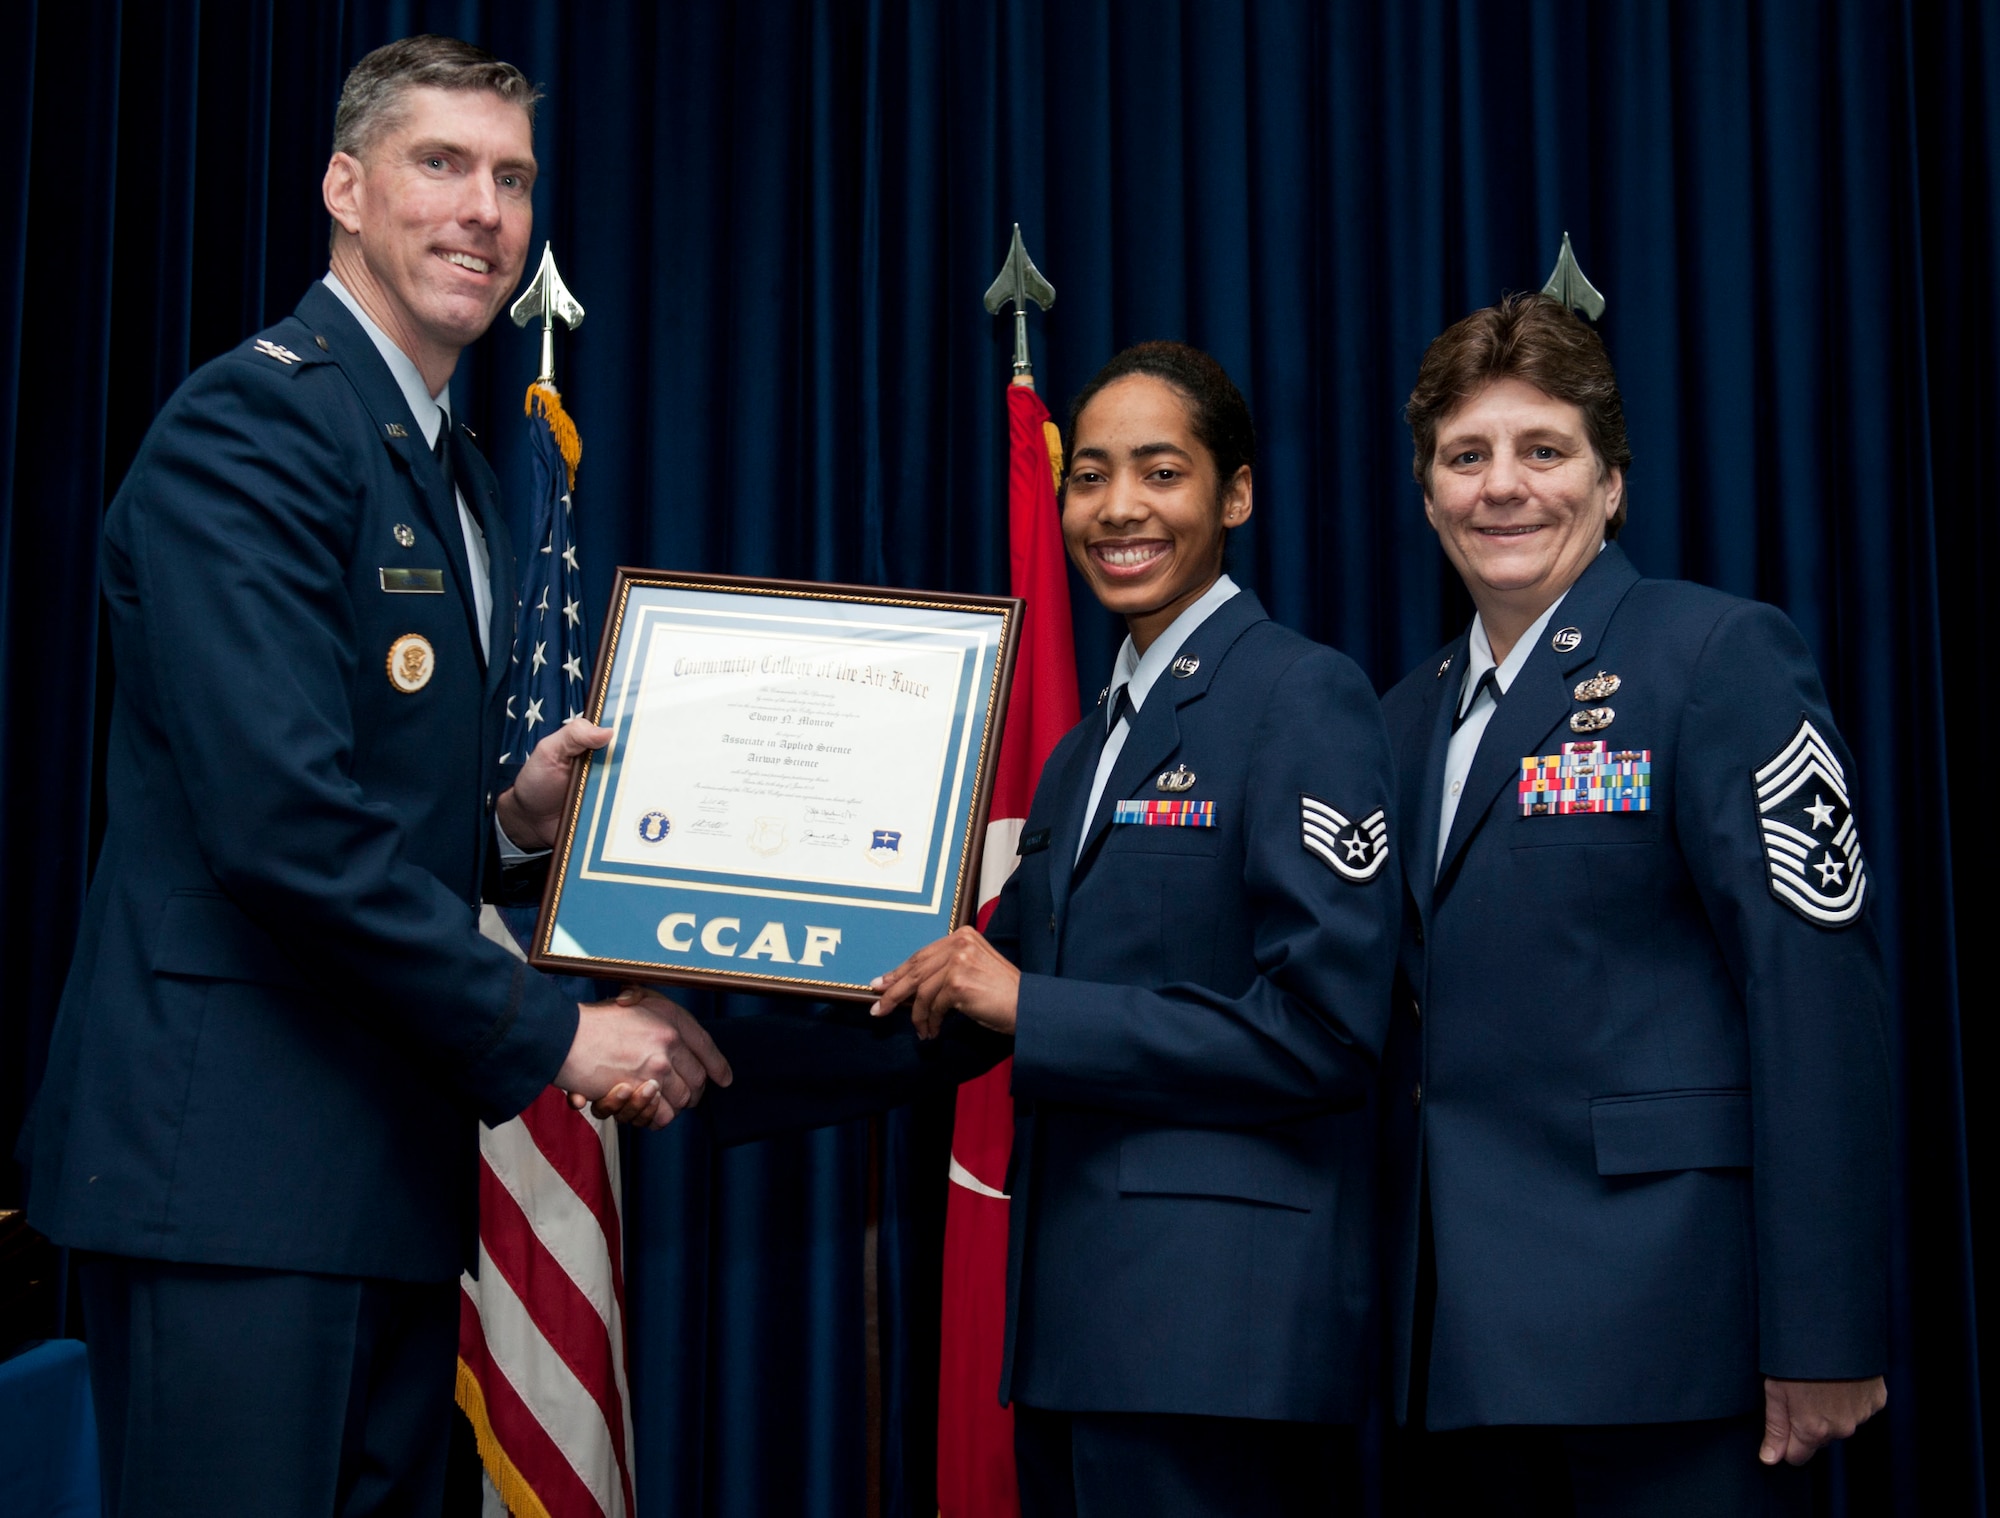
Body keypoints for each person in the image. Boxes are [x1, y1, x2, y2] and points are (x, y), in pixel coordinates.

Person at [19, 36, 728, 1515]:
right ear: (346, 188)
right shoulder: (256, 425)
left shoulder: (447, 466)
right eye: (441, 165)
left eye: (513, 178)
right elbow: (281, 826)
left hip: (377, 1179)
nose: (483, 210)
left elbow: (380, 806)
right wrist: (555, 1034)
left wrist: (515, 815)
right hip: (235, 1181)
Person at [867, 342, 1402, 1516]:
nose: (1116, 509)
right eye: (1091, 475)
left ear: (1236, 494)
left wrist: (1030, 1007)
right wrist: (696, 1037)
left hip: (1218, 1347)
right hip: (1075, 1335)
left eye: (1160, 473)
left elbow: (1321, 1029)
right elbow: (965, 989)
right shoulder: (1083, 748)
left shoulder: (1296, 696)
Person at [1379, 293, 1890, 1514]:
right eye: (1467, 456)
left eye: (1541, 450)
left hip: (1667, 1337)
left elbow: (1812, 999)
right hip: (1449, 1358)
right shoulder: (1397, 718)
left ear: (1609, 485)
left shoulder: (1716, 658)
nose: (1502, 487)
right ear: (1427, 489)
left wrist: (1824, 1330)